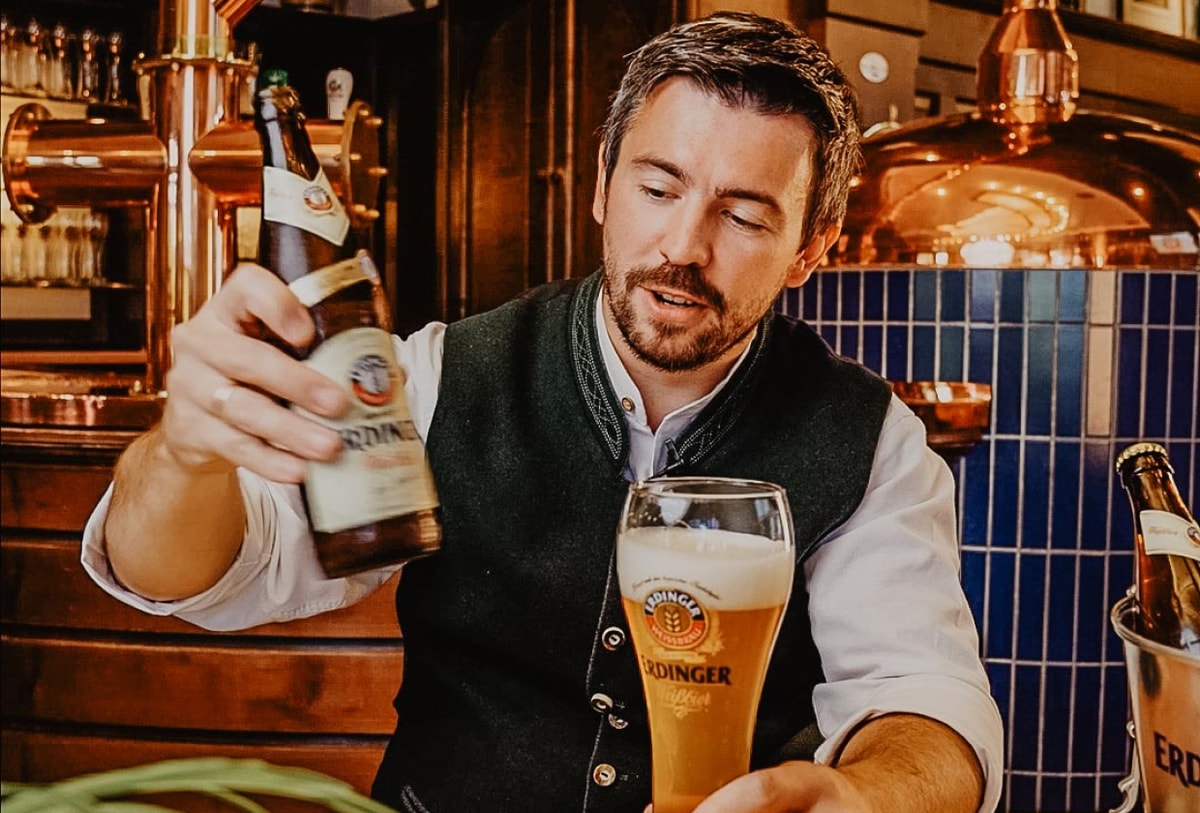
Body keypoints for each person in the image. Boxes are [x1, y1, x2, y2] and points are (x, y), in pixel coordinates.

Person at [82, 11, 1003, 813]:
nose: (683, 246)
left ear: (812, 248)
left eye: (746, 216)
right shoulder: (441, 373)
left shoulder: (872, 439)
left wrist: (860, 791)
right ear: (603, 182)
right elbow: (216, 571)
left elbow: (925, 700)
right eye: (657, 187)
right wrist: (185, 454)